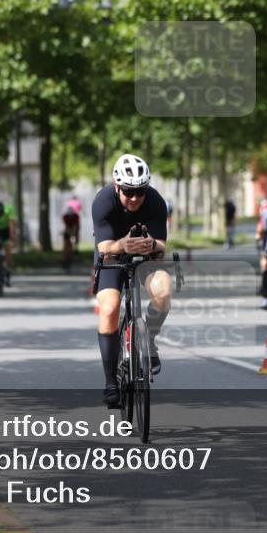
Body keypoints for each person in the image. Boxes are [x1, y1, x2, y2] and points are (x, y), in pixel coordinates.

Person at [92, 154, 171, 408]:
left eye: (140, 191)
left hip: (144, 255)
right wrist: (122, 244)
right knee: (110, 306)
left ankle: (148, 340)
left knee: (163, 291)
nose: (135, 198)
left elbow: (162, 248)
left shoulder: (156, 202)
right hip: (112, 254)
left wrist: (152, 244)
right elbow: (104, 248)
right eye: (128, 192)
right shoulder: (103, 201)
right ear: (117, 187)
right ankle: (110, 382)